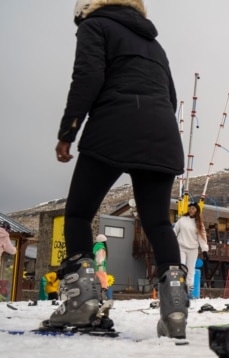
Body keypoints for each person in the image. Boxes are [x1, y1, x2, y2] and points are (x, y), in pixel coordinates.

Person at [50, 0, 188, 339]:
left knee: (80, 215)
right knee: (158, 222)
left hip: (114, 127)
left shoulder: (95, 26)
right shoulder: (154, 43)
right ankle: (175, 315)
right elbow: (170, 96)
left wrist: (68, 131)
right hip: (162, 132)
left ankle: (80, 303)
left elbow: (88, 76)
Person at [173, 202, 209, 297]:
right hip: (181, 246)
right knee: (181, 266)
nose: (191, 210)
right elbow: (175, 231)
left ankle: (189, 289)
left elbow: (202, 237)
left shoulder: (199, 224)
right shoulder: (182, 220)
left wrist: (204, 250)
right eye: (190, 208)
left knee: (191, 269)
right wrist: (170, 242)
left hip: (193, 249)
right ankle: (179, 287)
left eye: (193, 208)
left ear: (197, 210)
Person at [93, 234, 110, 300]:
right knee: (104, 281)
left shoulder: (94, 247)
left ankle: (92, 296)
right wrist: (100, 264)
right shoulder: (101, 248)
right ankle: (103, 297)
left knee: (92, 281)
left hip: (93, 266)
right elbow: (100, 258)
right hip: (100, 266)